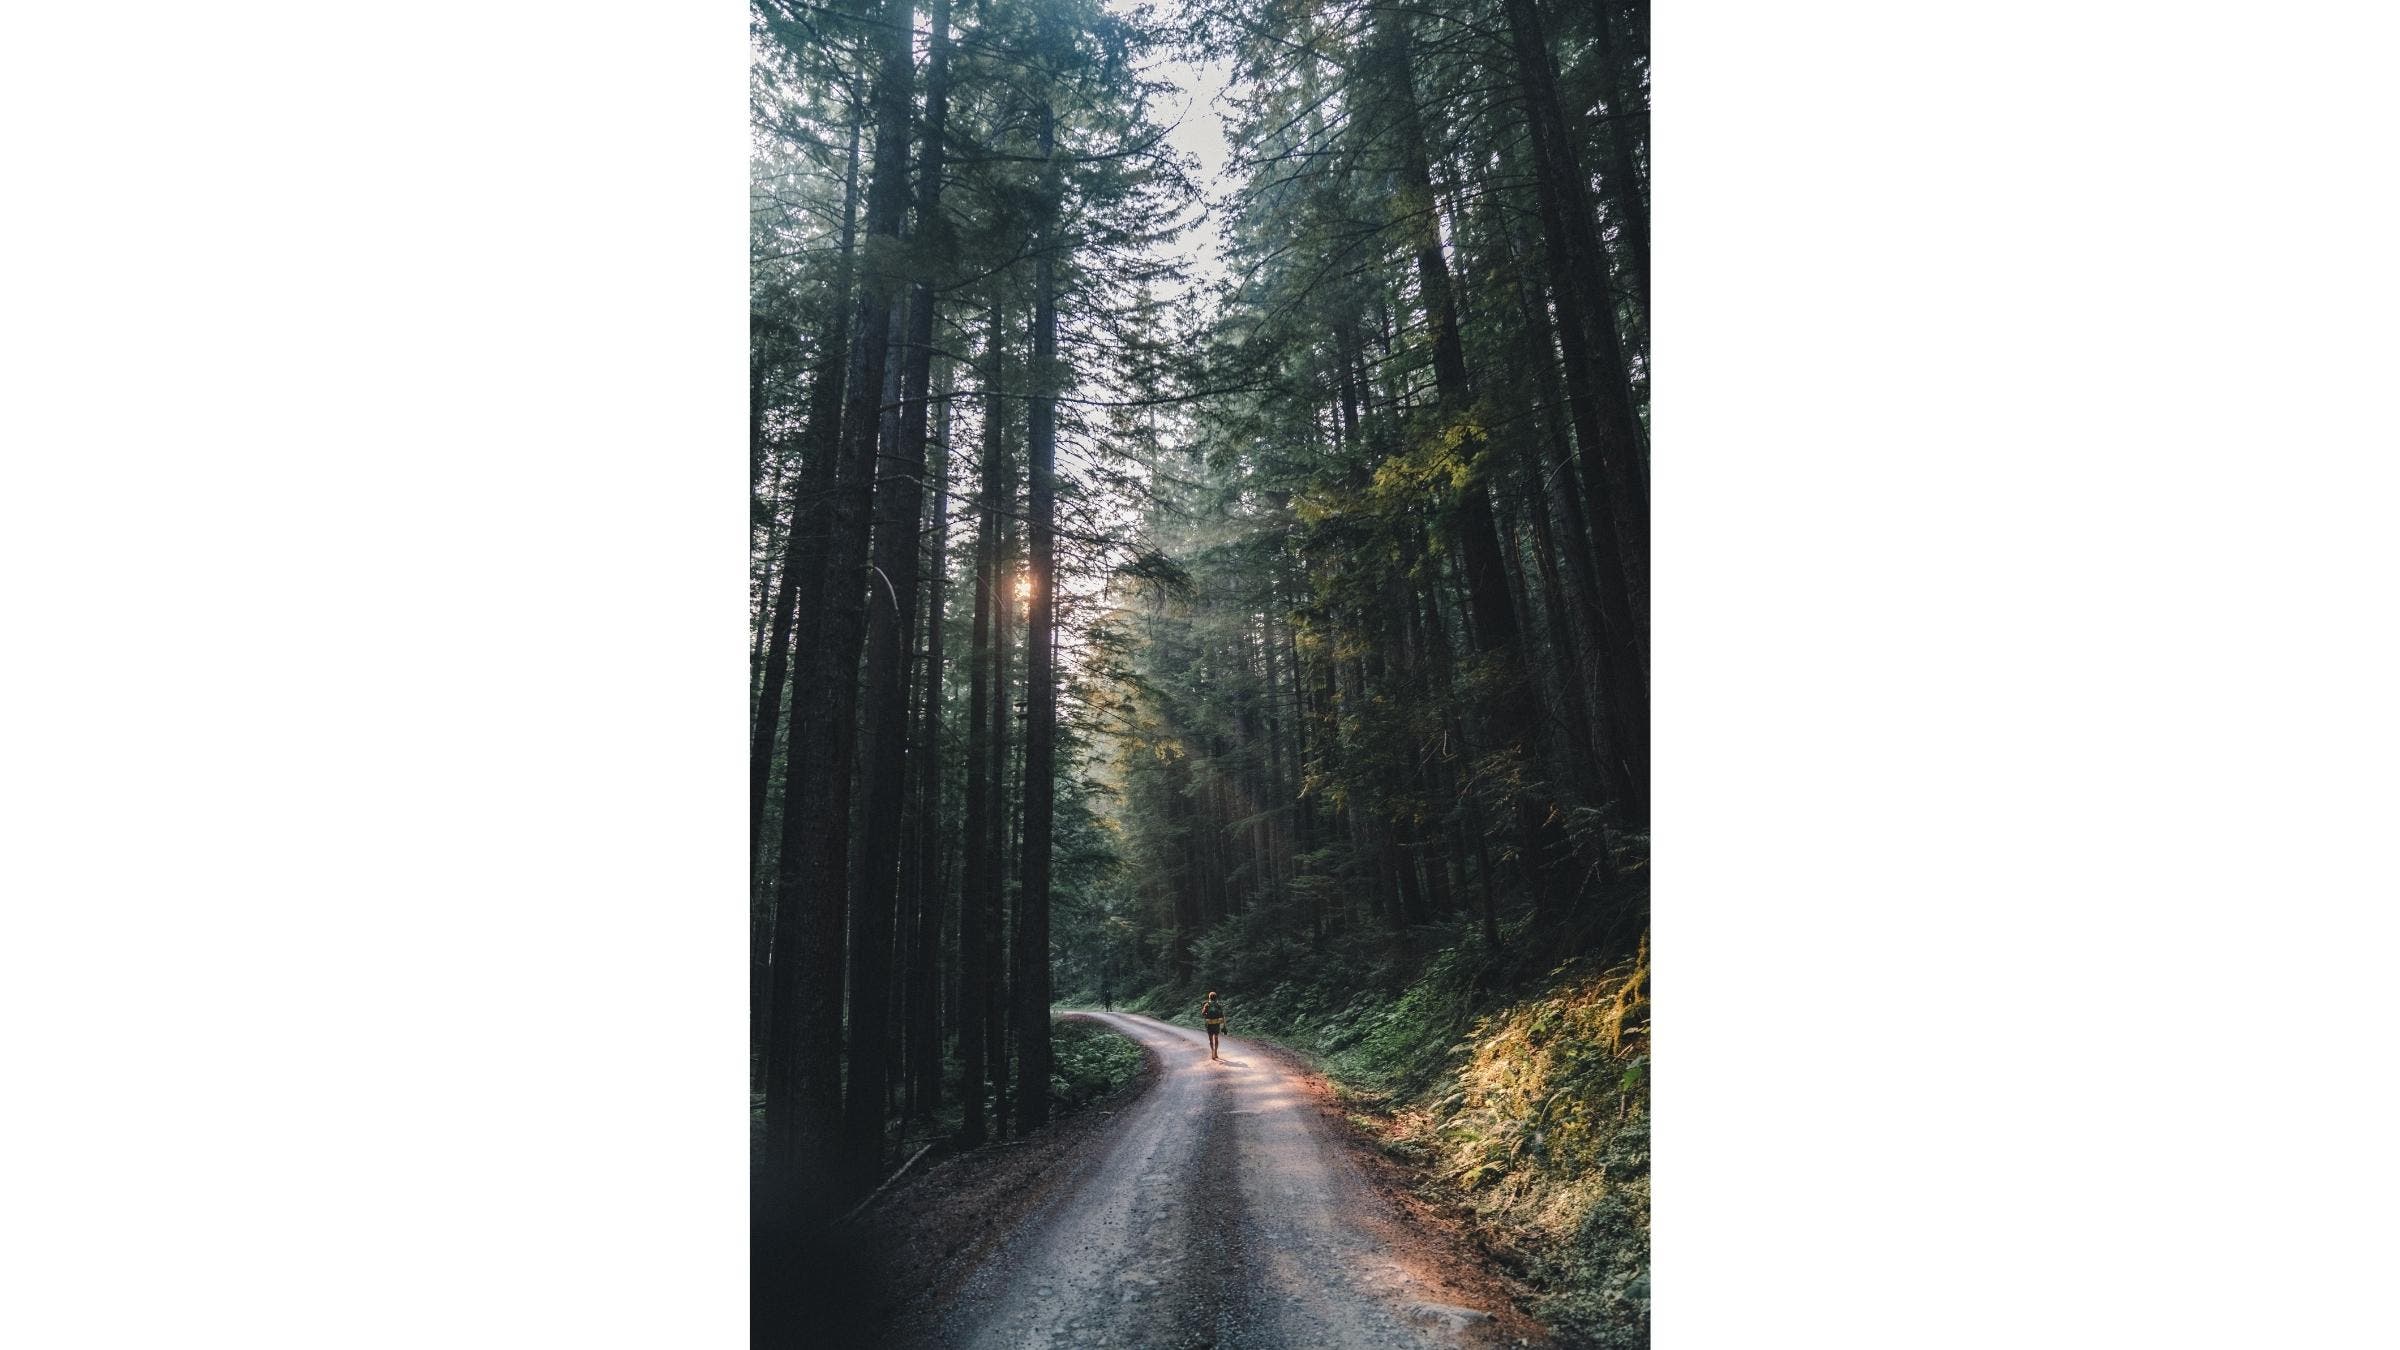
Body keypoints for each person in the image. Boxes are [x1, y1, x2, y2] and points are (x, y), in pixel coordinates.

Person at [1201, 990, 1227, 1060]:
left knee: (1210, 1039)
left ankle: (1212, 1052)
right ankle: (1216, 1052)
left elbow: (1203, 1014)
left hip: (1209, 1024)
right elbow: (1222, 1015)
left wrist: (1206, 1013)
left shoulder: (1207, 1005)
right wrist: (1223, 1024)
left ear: (1209, 997)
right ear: (1215, 997)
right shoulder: (1218, 1005)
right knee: (1216, 1038)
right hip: (1216, 1024)